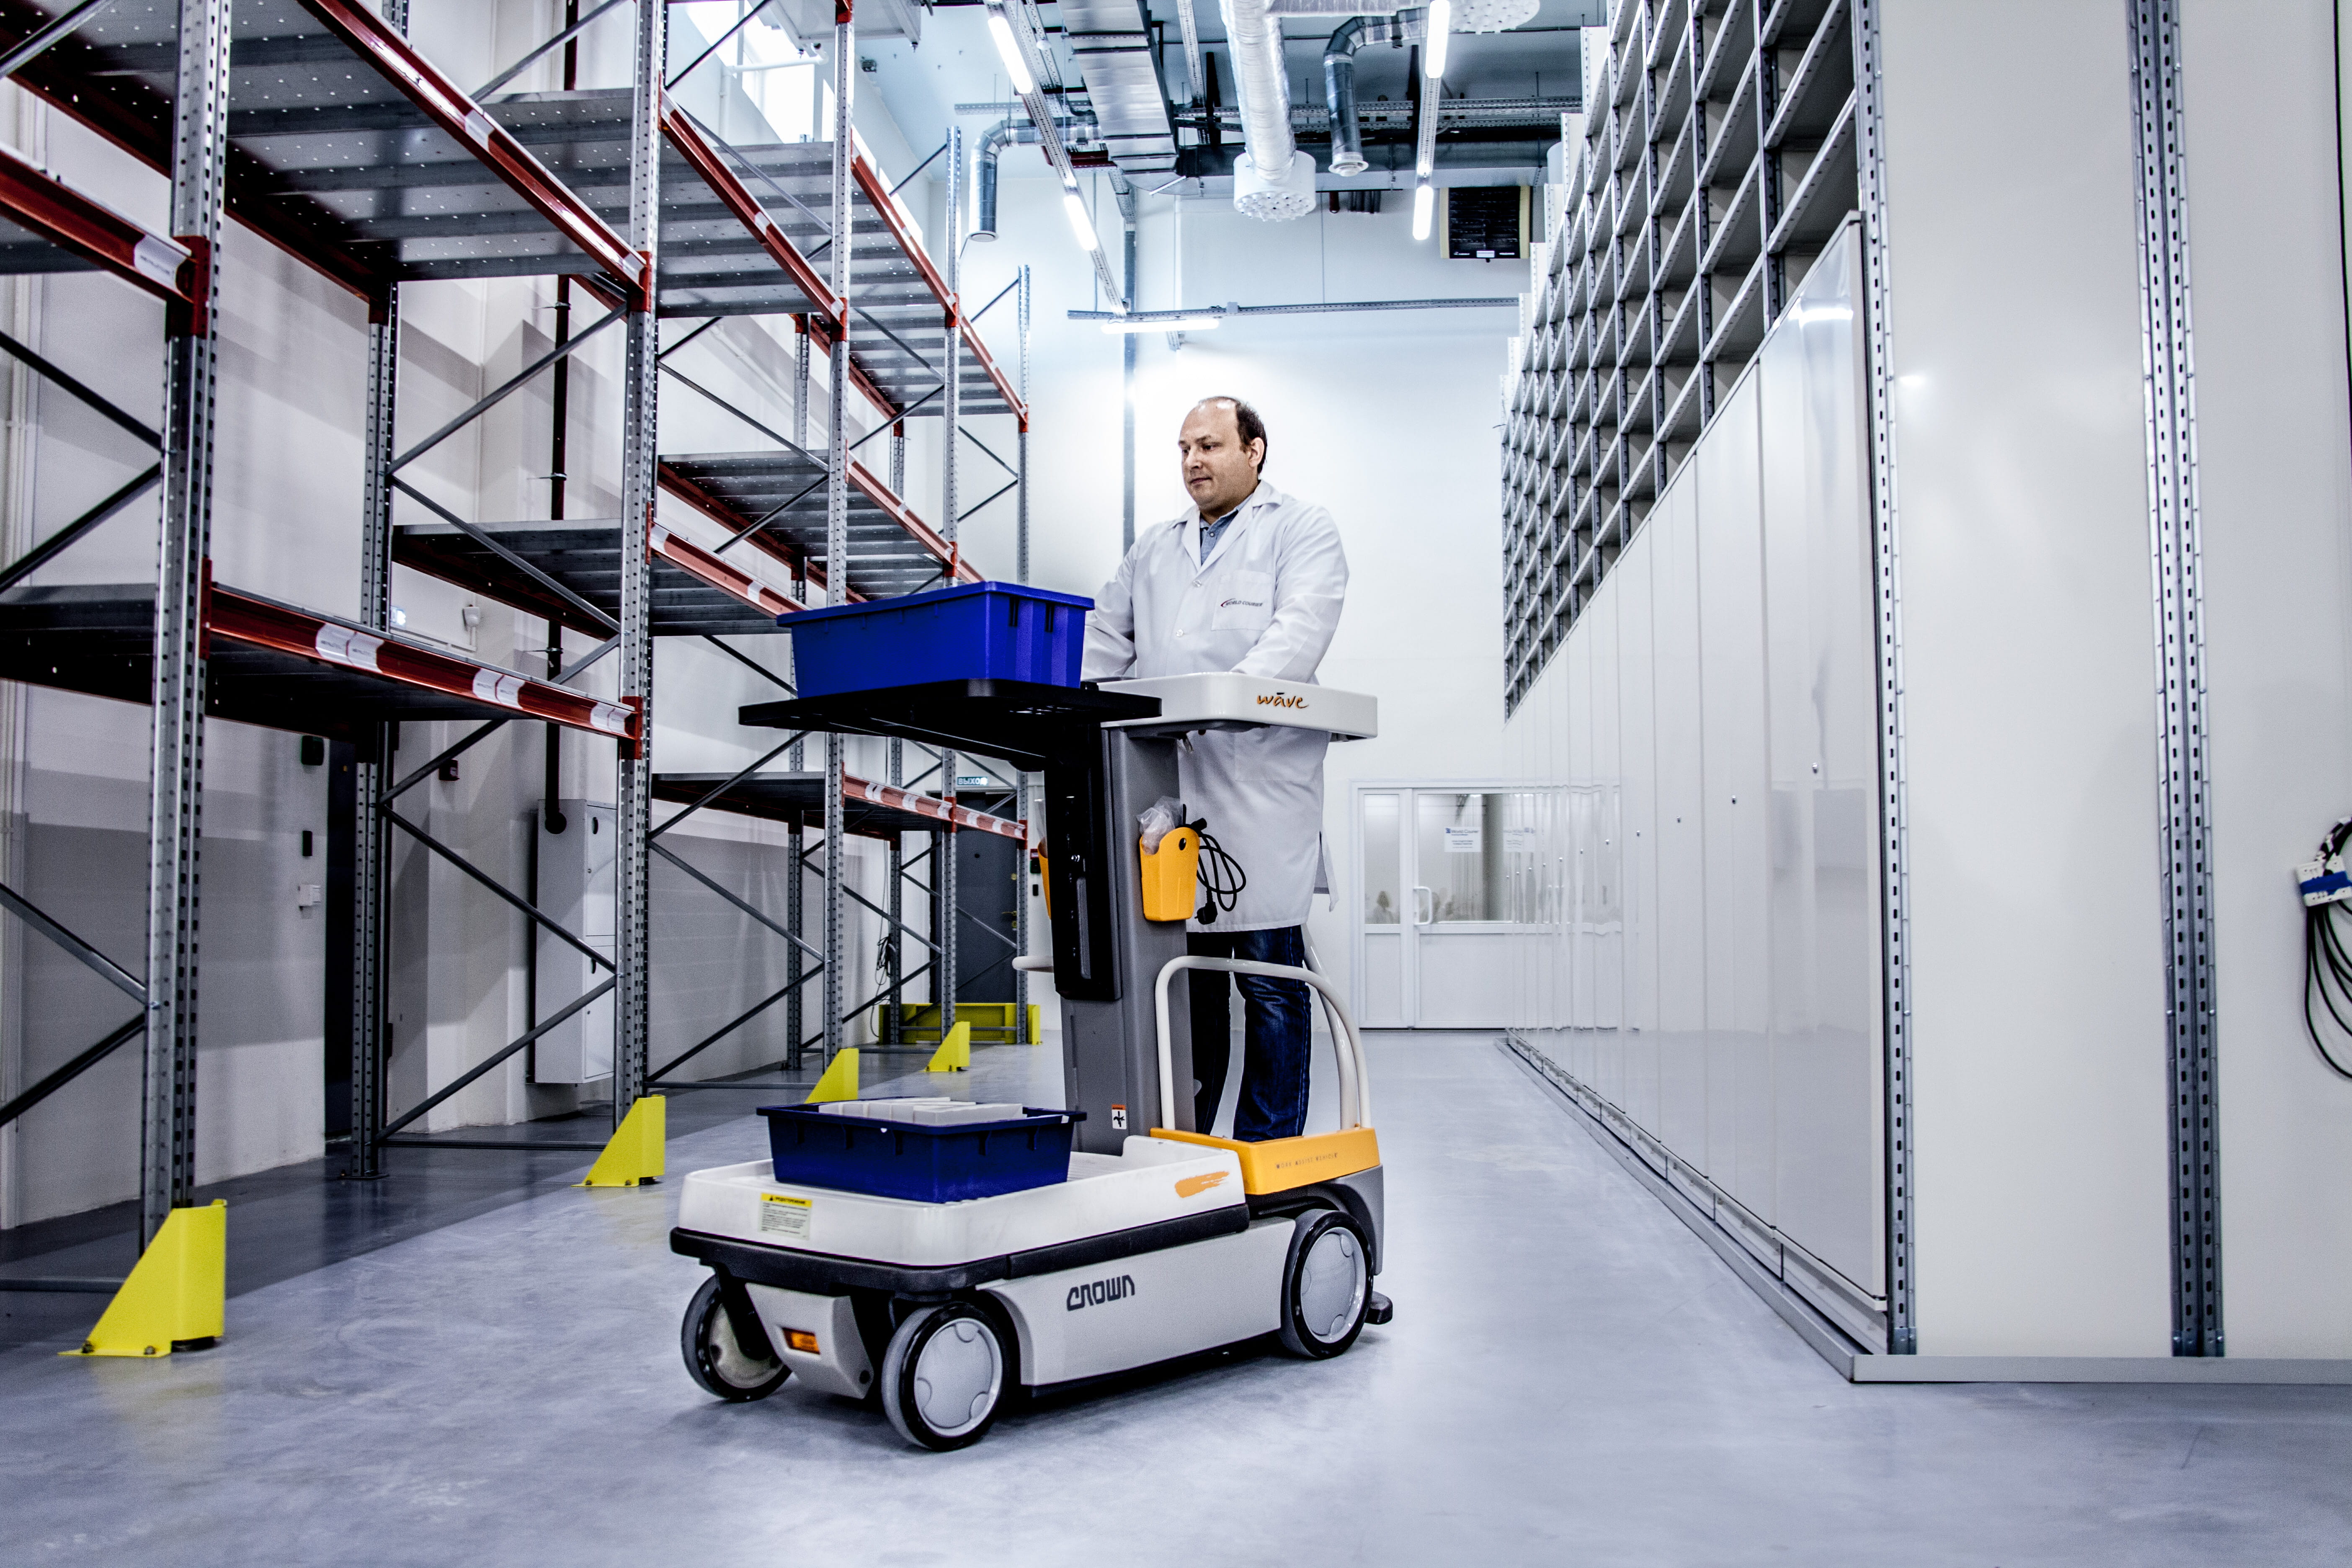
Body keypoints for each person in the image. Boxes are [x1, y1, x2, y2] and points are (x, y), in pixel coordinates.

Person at [1082, 396, 1348, 1141]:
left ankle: (1267, 1149)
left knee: (1268, 981)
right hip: (1172, 786)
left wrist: (1214, 702)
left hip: (1259, 781)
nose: (1193, 462)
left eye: (1210, 445)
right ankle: (1189, 1141)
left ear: (1255, 450)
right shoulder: (1155, 548)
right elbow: (1106, 637)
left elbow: (1299, 634)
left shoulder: (1300, 529)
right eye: (1184, 449)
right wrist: (1082, 707)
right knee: (1188, 984)